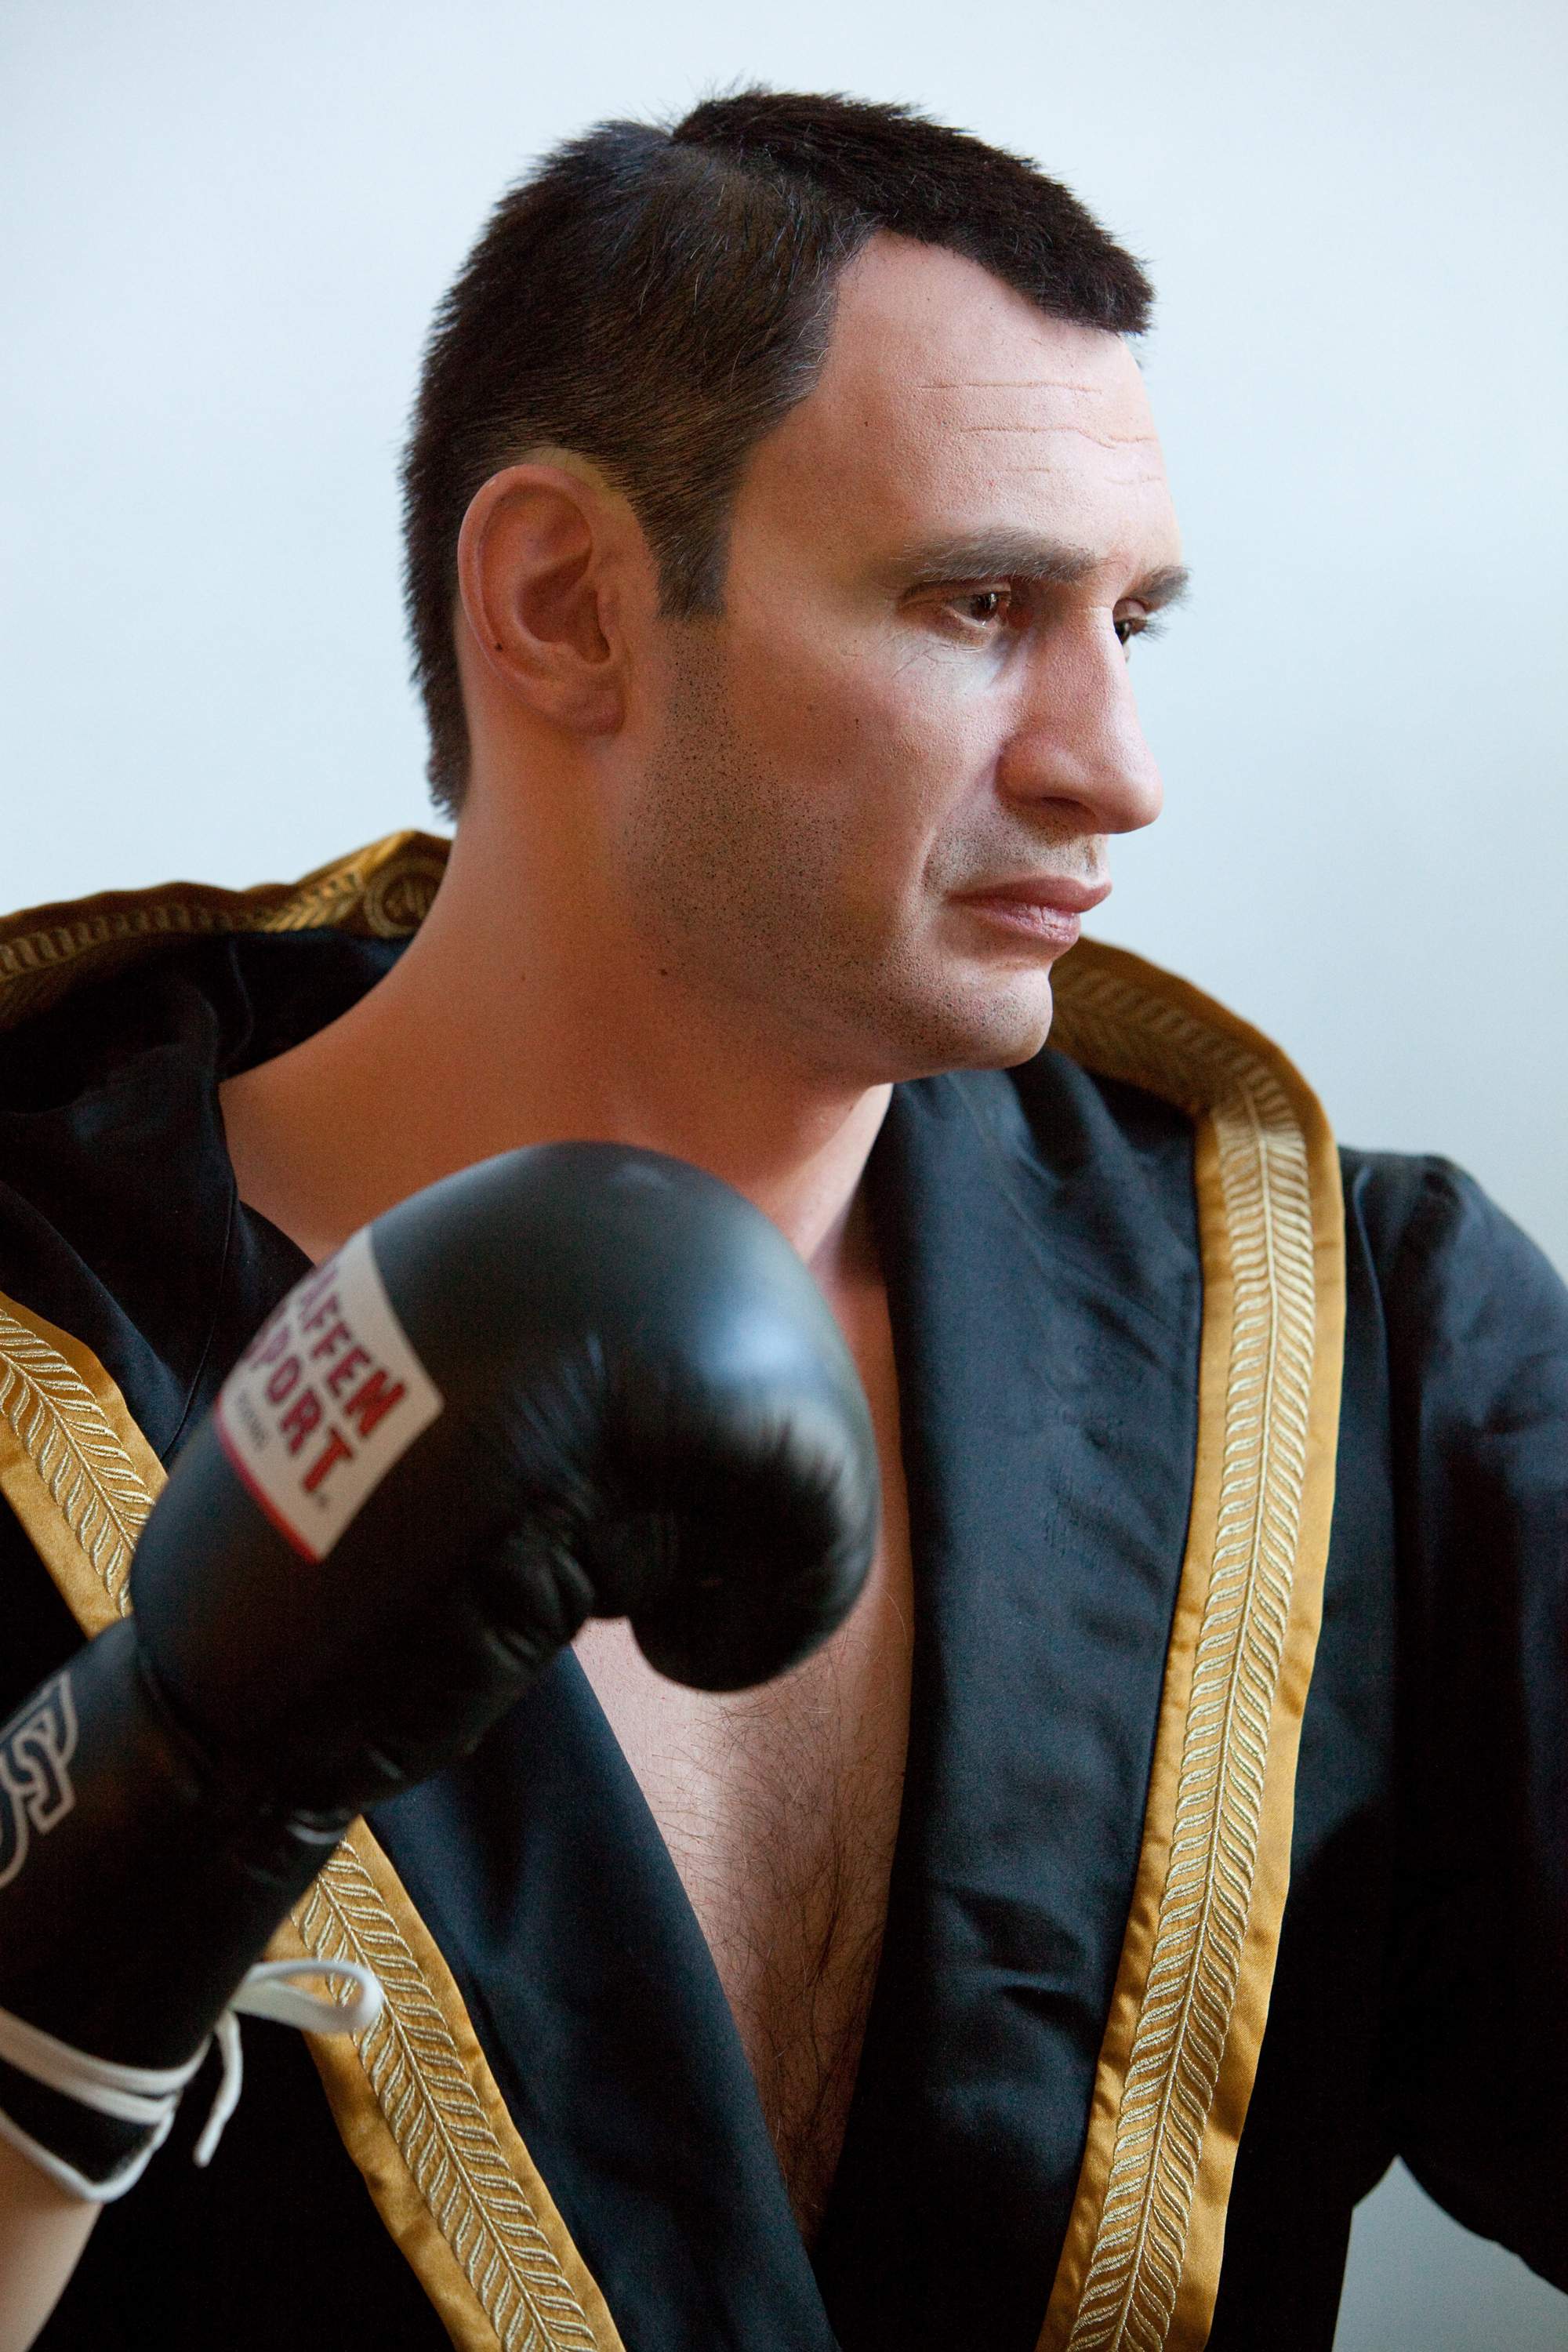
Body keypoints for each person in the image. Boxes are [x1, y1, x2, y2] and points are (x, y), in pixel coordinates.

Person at [0, 88, 1562, 2352]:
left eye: (1134, 622)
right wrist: (118, 1867)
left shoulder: (1367, 1357)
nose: (1118, 769)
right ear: (566, 604)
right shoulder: (43, 1340)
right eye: (979, 604)